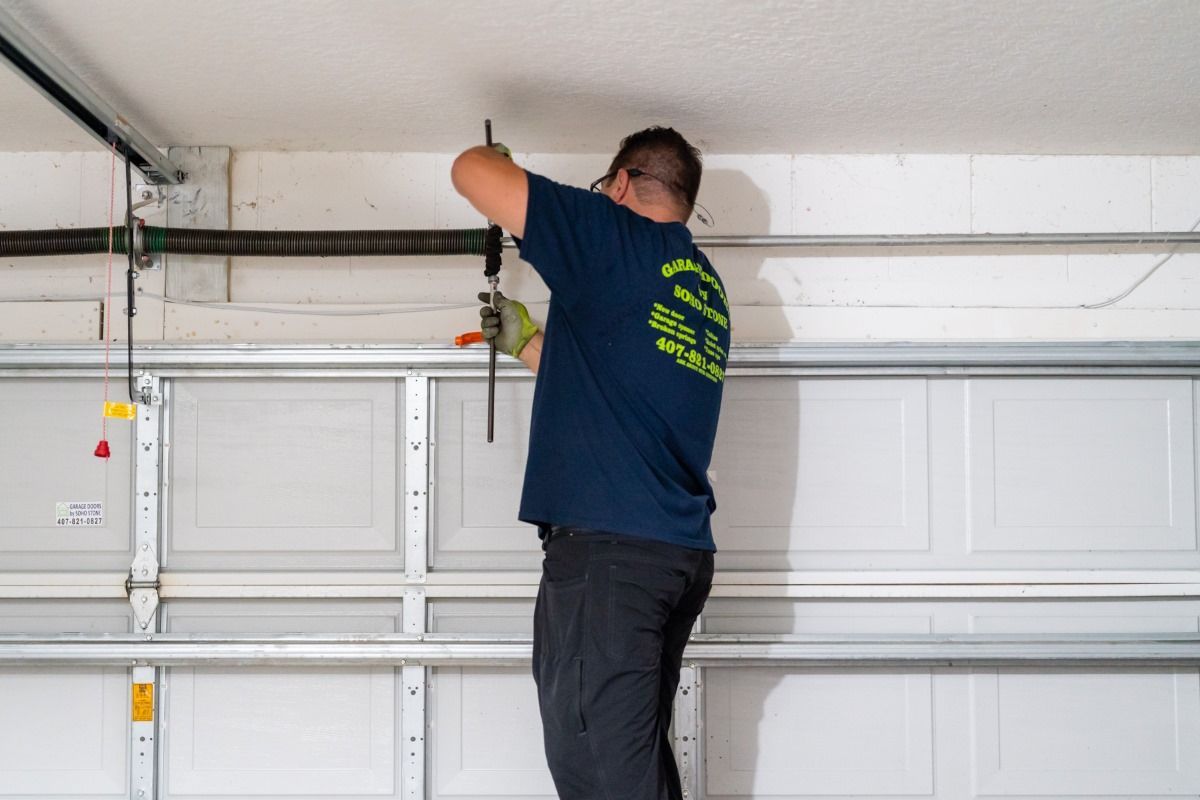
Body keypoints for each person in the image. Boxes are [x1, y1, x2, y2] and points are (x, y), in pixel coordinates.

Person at [451, 126, 730, 800]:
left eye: (606, 188)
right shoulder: (702, 288)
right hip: (670, 555)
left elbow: (469, 172)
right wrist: (528, 345)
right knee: (632, 767)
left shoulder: (612, 237)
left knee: (600, 774)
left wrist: (497, 164)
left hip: (612, 561)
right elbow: (619, 389)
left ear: (624, 184)